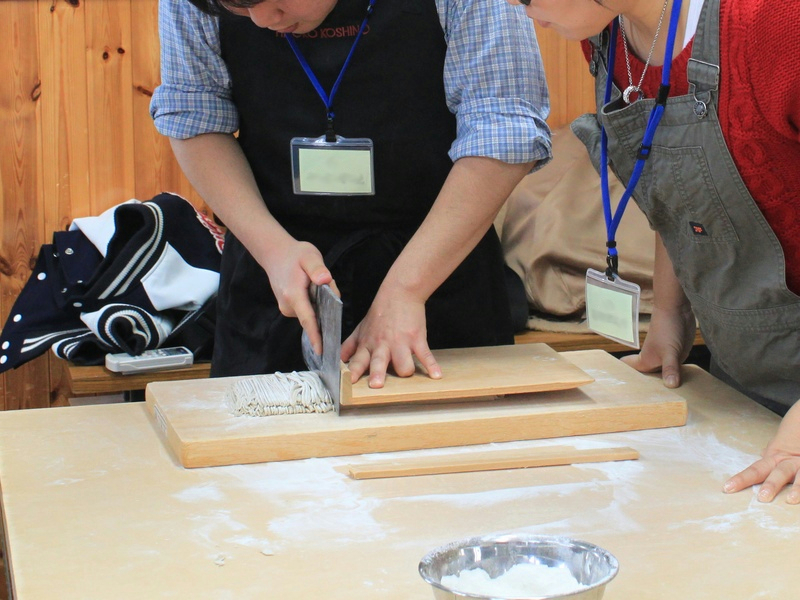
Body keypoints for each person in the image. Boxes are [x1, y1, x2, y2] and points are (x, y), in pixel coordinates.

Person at [150, 0, 551, 389]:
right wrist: (272, 249)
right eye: (234, 5)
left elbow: (504, 134)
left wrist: (406, 290)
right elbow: (195, 116)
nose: (259, 19)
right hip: (278, 276)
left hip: (439, 263)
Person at [509, 0, 800, 503]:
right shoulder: (606, 35)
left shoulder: (775, 25)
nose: (516, 7)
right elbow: (679, 183)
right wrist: (670, 313)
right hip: (748, 384)